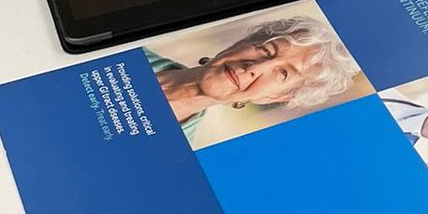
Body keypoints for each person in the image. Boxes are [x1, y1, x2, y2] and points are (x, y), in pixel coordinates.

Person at [146, 15, 366, 144]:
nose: (255, 67)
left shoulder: (169, 153)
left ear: (274, 97)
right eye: (267, 50)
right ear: (240, 43)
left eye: (283, 73)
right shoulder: (132, 54)